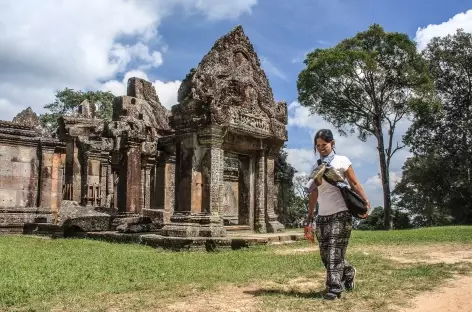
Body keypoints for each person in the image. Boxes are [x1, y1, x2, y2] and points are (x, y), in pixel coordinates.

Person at [305, 129, 370, 300]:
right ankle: (348, 272)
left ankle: (334, 289)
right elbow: (314, 193)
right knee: (326, 255)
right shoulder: (316, 167)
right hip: (323, 216)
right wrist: (310, 215)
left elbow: (354, 183)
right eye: (318, 145)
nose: (321, 148)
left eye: (324, 145)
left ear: (332, 143)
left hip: (341, 213)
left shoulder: (343, 161)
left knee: (335, 252)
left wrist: (365, 202)